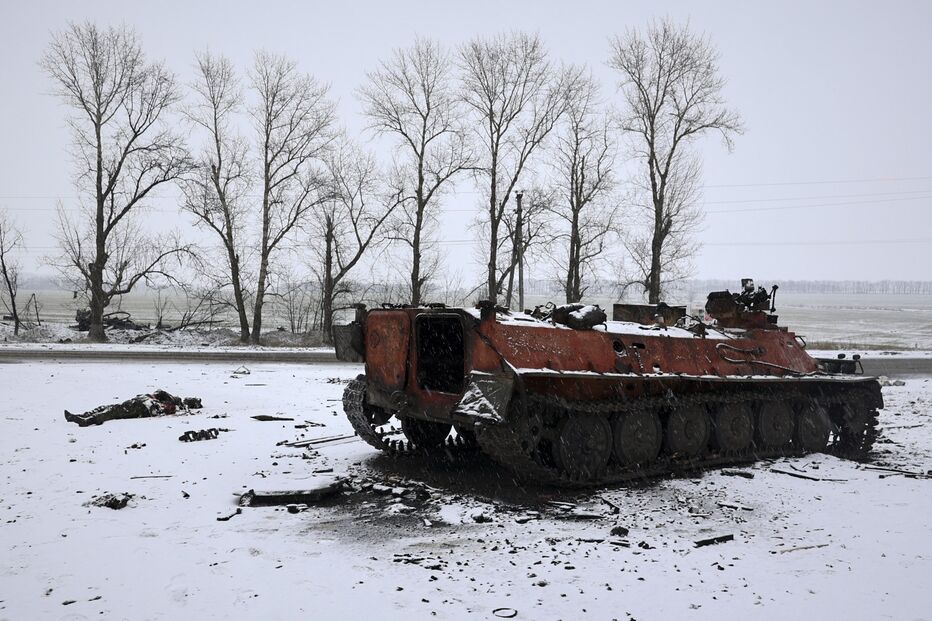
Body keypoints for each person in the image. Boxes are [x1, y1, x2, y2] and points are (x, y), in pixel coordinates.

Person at [64, 390, 202, 427]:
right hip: (136, 403)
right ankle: (81, 415)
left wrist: (165, 398)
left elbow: (161, 398)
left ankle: (87, 421)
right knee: (109, 407)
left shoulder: (173, 405)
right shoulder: (163, 399)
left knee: (113, 412)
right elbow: (158, 392)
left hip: (139, 408)